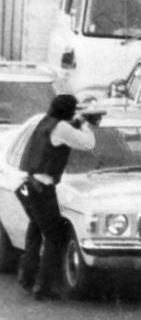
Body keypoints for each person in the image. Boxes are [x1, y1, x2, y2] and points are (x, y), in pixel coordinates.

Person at [15, 95, 98, 300]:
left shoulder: (46, 121)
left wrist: (77, 122)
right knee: (54, 237)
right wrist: (88, 125)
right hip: (44, 189)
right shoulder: (61, 128)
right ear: (68, 110)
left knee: (35, 233)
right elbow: (88, 143)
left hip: (31, 185)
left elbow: (61, 133)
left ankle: (27, 277)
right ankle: (43, 287)